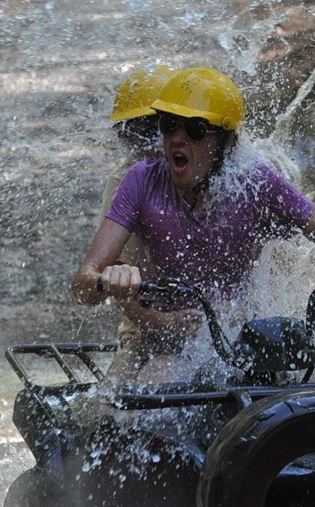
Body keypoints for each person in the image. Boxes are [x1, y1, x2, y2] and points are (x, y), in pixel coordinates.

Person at [72, 67, 315, 381]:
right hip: (155, 337)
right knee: (130, 396)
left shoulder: (255, 183)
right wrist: (113, 281)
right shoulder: (140, 179)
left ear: (225, 144)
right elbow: (85, 284)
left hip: (244, 336)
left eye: (195, 130)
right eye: (168, 125)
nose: (176, 139)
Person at [100, 65, 177, 345]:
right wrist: (164, 324)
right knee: (119, 385)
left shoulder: (215, 174)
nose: (143, 144)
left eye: (150, 131)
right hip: (147, 330)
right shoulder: (127, 180)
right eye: (132, 134)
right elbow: (115, 275)